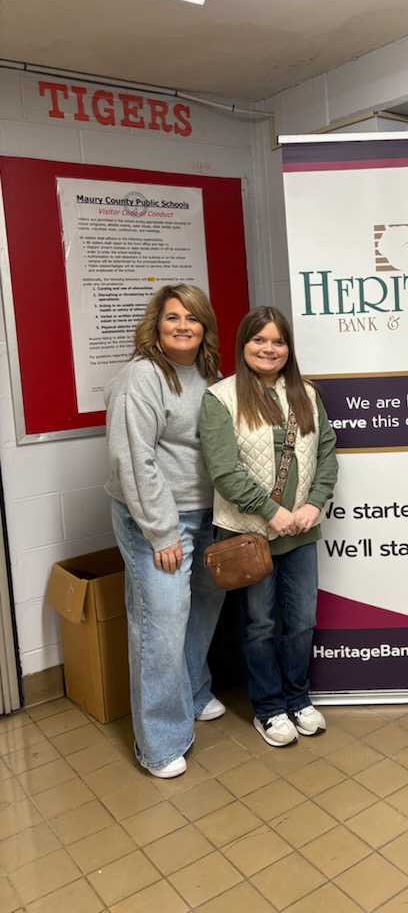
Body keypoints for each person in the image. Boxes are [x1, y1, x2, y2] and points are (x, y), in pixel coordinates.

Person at [199, 306, 338, 747]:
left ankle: (298, 698)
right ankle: (269, 707)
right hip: (250, 535)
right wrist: (271, 511)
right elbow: (225, 471)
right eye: (259, 340)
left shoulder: (306, 394)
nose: (269, 349)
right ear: (244, 344)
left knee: (302, 621)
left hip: (301, 530)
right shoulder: (220, 397)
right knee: (259, 624)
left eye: (278, 341)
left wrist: (314, 504)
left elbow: (327, 454)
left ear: (288, 348)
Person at [105, 284, 226, 779]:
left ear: (204, 326)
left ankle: (193, 692)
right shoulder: (142, 376)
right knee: (162, 623)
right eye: (173, 317)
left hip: (208, 513)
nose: (183, 326)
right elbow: (135, 460)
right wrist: (161, 533)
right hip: (157, 518)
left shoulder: (209, 373)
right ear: (157, 324)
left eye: (192, 318)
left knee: (201, 609)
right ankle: (159, 742)